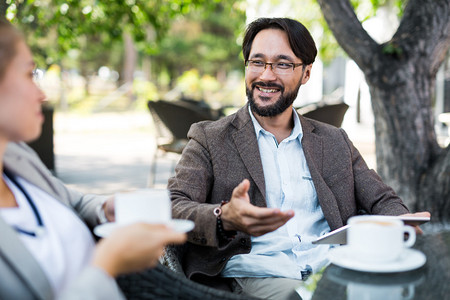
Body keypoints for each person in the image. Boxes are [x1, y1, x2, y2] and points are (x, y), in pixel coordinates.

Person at [168, 17, 430, 299]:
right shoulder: (210, 138)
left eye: (282, 64)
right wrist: (224, 217)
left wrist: (404, 222)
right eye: (257, 62)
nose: (266, 76)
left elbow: (381, 199)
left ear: (306, 73)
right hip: (259, 273)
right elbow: (172, 206)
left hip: (333, 268)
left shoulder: (334, 140)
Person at [0, 19, 186, 299]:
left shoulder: (15, 157)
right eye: (29, 74)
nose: (42, 94)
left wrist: (108, 208)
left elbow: (71, 201)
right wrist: (107, 264)